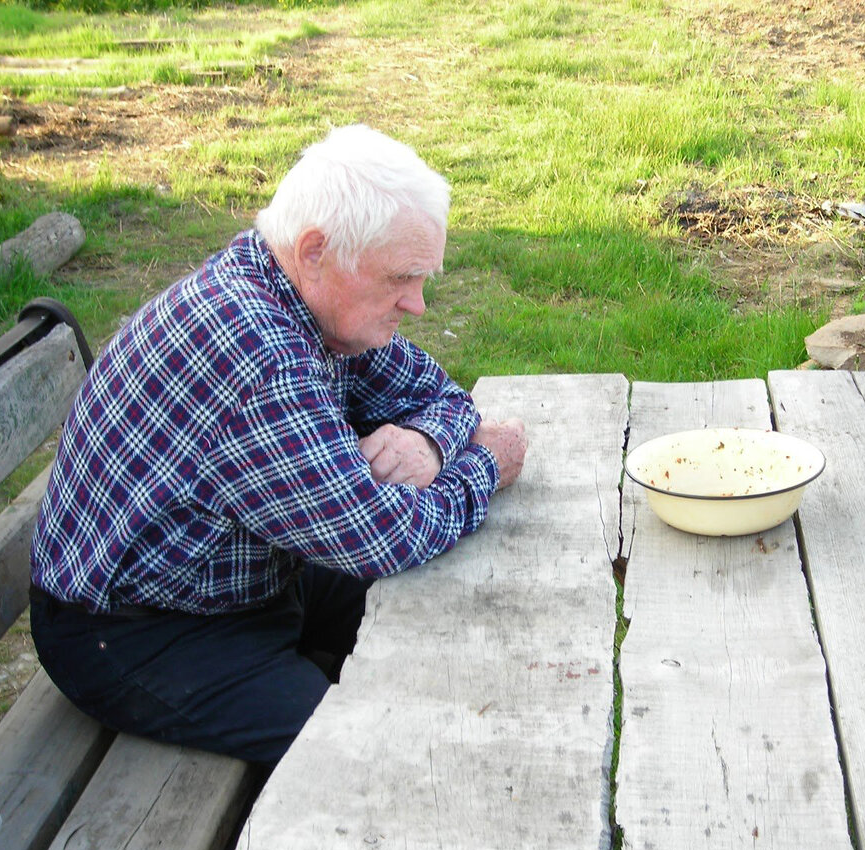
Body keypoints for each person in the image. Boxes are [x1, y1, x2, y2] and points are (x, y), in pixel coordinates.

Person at [29, 124, 528, 767]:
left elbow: (442, 396)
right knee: (360, 754)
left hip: (248, 570)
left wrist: (430, 446)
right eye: (402, 278)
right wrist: (483, 465)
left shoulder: (303, 291)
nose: (418, 304)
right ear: (317, 249)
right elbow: (385, 536)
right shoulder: (260, 357)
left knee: (454, 612)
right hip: (139, 629)